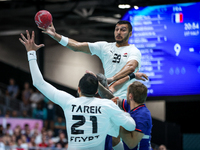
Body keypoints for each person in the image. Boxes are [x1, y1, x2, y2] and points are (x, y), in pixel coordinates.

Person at [19, 30, 136, 150]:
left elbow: (38, 83)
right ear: (96, 91)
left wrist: (31, 53)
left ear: (79, 89)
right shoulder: (106, 105)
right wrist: (121, 111)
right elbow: (132, 126)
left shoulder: (69, 102)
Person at [38, 20, 141, 99]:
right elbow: (77, 46)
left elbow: (131, 67)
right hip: (108, 97)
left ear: (130, 33)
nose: (118, 32)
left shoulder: (133, 50)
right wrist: (55, 35)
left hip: (127, 99)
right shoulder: (104, 47)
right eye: (116, 29)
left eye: (123, 30)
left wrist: (112, 78)